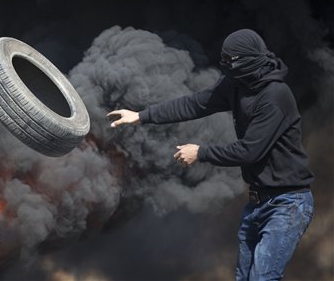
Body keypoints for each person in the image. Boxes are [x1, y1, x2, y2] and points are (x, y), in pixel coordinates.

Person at [107, 29, 314, 280]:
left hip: (287, 203)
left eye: (230, 62)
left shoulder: (274, 96)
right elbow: (195, 104)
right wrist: (141, 116)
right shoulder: (237, 83)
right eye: (223, 62)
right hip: (258, 201)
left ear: (247, 61)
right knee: (244, 277)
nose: (225, 68)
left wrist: (201, 152)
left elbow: (250, 151)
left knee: (263, 278)